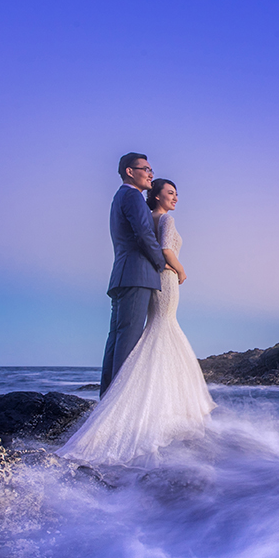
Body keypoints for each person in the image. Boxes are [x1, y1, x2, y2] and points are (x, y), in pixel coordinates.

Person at [59, 178, 216, 465]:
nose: (175, 198)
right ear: (156, 196)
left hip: (150, 277)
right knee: (163, 330)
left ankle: (149, 401)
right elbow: (166, 249)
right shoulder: (164, 219)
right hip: (165, 279)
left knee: (152, 333)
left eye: (176, 194)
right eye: (170, 193)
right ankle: (152, 406)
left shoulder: (148, 216)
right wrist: (180, 269)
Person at [99, 152, 166, 396]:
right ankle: (118, 403)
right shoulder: (133, 196)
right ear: (130, 171)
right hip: (137, 275)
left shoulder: (119, 197)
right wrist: (161, 263)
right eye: (146, 169)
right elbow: (143, 234)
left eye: (151, 170)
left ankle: (106, 400)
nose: (151, 174)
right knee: (129, 341)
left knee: (116, 340)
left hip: (122, 275)